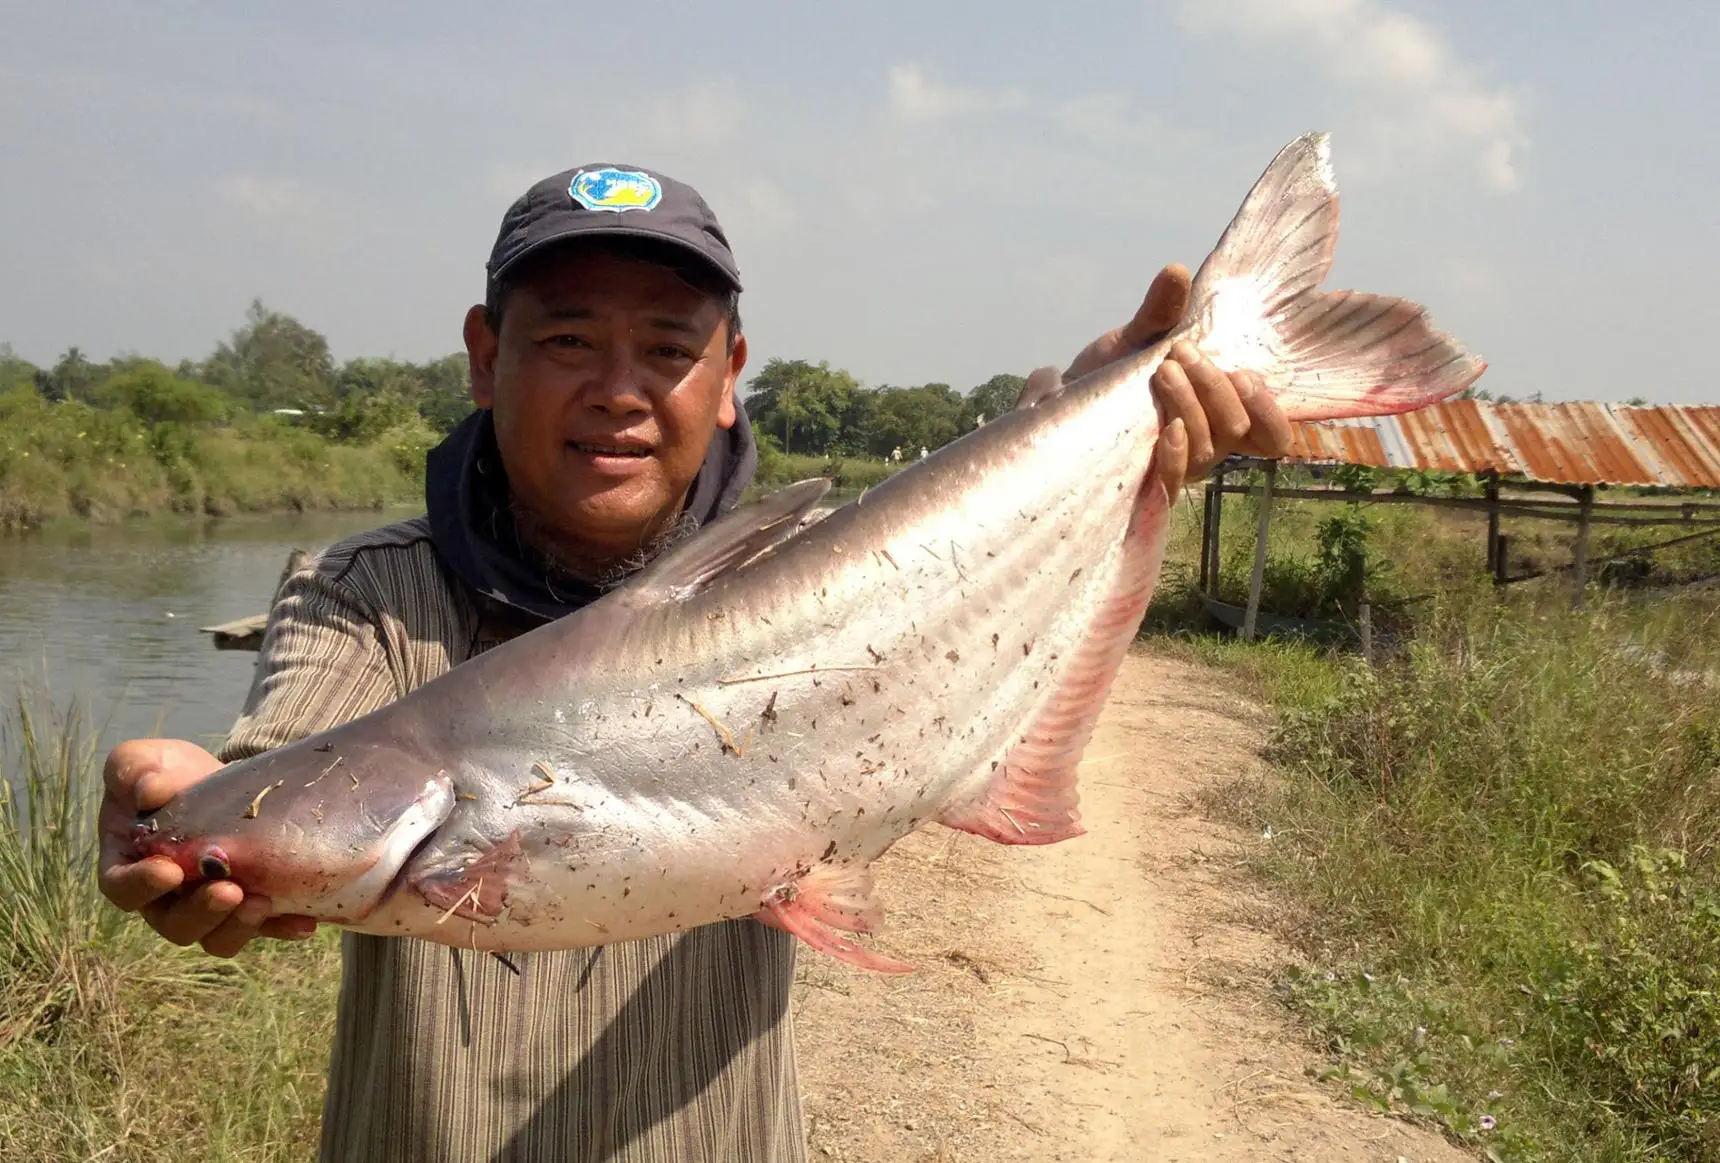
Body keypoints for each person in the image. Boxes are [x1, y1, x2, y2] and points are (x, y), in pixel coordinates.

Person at [94, 162, 1291, 1162]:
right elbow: (290, 753)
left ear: (728, 375)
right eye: (566, 338)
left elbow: (959, 522)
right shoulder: (363, 592)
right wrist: (205, 811)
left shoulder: (821, 578)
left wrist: (1096, 411)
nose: (617, 390)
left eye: (666, 348)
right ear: (482, 354)